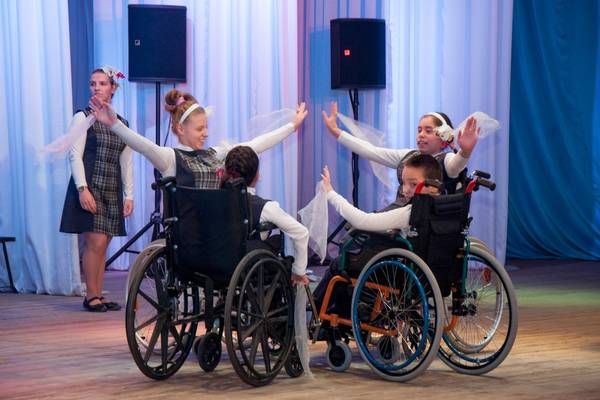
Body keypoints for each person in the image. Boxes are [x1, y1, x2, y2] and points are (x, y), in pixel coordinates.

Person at [90, 89, 307, 190]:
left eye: (206, 127)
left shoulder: (214, 154)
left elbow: (255, 145)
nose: (206, 133)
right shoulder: (170, 158)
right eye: (200, 128)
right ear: (180, 129)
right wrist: (114, 125)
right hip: (189, 236)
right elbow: (143, 146)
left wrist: (292, 126)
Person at [313, 153, 442, 314]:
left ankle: (316, 309)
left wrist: (331, 193)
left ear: (433, 185)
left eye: (413, 184)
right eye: (403, 183)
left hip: (400, 273)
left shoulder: (412, 212)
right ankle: (342, 316)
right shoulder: (444, 208)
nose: (405, 190)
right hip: (432, 271)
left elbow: (363, 221)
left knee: (340, 264)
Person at [60, 66, 133, 312]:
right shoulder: (83, 117)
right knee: (95, 242)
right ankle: (91, 296)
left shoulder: (121, 123)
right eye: (93, 83)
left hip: (111, 187)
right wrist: (82, 188)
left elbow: (126, 161)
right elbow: (75, 155)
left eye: (102, 83)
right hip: (90, 185)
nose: (96, 88)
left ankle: (98, 294)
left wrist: (129, 195)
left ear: (113, 88)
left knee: (104, 244)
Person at [322, 102, 479, 208]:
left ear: (444, 139)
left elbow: (456, 165)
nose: (421, 135)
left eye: (428, 131)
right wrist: (336, 132)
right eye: (419, 130)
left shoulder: (447, 160)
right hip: (401, 214)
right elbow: (371, 151)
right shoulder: (409, 156)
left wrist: (465, 151)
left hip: (423, 225)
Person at [220, 145, 309, 285]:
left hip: (216, 264)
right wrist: (298, 271)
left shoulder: (215, 198)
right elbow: (301, 233)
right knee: (280, 251)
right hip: (246, 268)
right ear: (257, 175)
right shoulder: (266, 208)